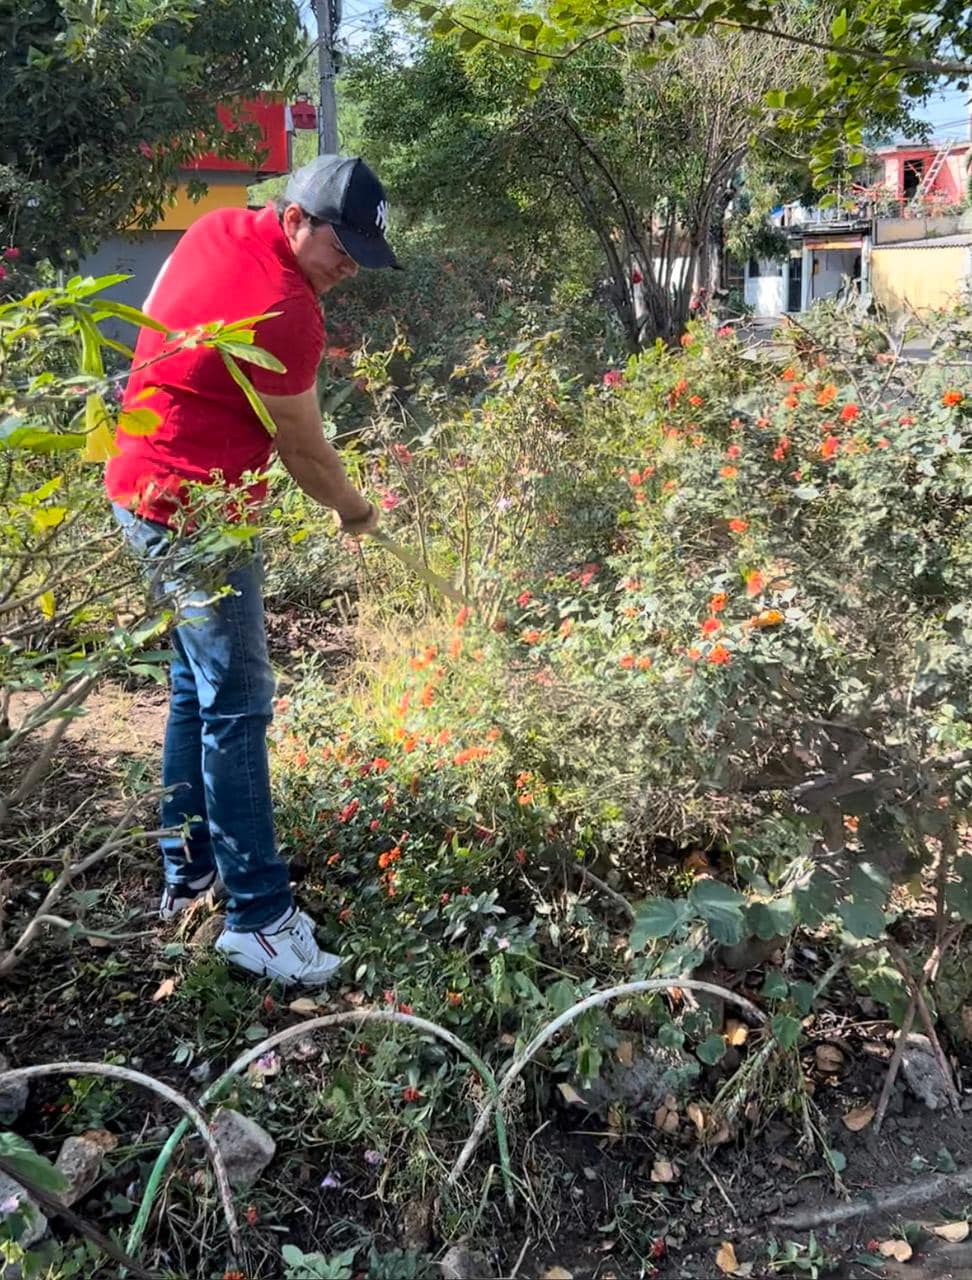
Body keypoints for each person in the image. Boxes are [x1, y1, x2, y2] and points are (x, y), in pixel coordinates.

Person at [106, 155, 400, 986]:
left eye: (359, 257)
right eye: (340, 248)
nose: (347, 269)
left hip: (137, 492)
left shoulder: (219, 227)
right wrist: (355, 510)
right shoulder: (287, 309)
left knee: (192, 689)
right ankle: (260, 920)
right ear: (297, 216)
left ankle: (187, 877)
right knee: (238, 703)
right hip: (195, 517)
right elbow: (303, 450)